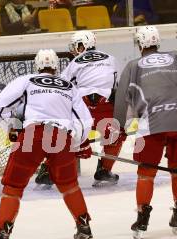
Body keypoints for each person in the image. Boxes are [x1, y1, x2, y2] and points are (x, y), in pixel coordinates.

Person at [0, 49, 94, 239]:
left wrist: (11, 127)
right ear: (56, 67)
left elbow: (1, 106)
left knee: (13, 187)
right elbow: (85, 120)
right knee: (69, 185)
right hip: (61, 137)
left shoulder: (27, 80)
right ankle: (85, 230)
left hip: (33, 134)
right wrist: (77, 141)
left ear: (37, 66)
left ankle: (2, 238)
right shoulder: (69, 86)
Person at [114, 26, 177, 239]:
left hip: (152, 126)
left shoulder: (133, 65)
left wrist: (118, 128)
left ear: (140, 44)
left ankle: (142, 219)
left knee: (146, 173)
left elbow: (122, 100)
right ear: (157, 42)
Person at [37, 31, 123, 187]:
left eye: (76, 45)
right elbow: (117, 84)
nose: (74, 50)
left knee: (64, 134)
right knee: (115, 134)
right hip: (106, 105)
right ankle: (104, 169)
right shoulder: (111, 58)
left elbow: (61, 86)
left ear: (84, 45)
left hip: (82, 106)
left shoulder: (75, 61)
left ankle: (48, 169)